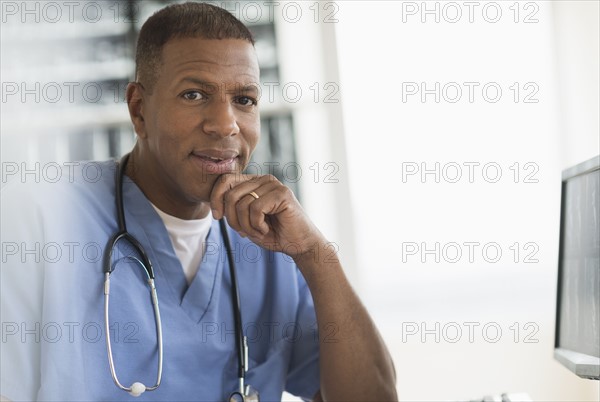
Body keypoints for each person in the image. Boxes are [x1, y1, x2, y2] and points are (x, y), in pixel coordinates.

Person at [0, 2, 397, 401]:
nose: (225, 124)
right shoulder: (38, 222)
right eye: (194, 94)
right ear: (139, 110)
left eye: (244, 100)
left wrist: (315, 254)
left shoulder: (269, 242)